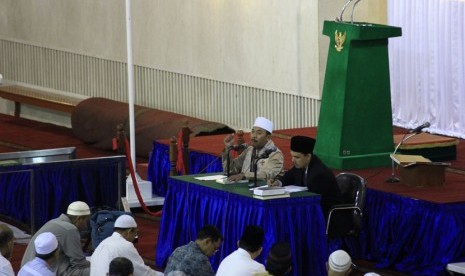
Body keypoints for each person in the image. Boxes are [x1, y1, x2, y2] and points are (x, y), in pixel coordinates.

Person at [268, 135, 343, 217]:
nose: (293, 160)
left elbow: (314, 200)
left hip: (327, 216)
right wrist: (277, 182)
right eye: (292, 156)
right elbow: (289, 176)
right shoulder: (301, 165)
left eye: (297, 157)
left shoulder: (319, 173)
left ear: (308, 156)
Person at [21, 201, 91, 275]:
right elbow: (80, 263)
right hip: (44, 270)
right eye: (86, 221)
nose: (86, 225)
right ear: (78, 218)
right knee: (91, 271)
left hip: (27, 267)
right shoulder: (70, 229)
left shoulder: (54, 221)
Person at [90, 214, 162, 276]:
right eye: (135, 234)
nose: (135, 238)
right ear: (129, 232)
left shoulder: (103, 242)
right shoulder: (126, 245)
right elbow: (143, 273)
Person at [222, 117, 284, 182]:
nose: (254, 136)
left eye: (259, 133)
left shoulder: (275, 154)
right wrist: (227, 149)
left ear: (268, 137)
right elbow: (231, 170)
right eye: (253, 132)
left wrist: (244, 175)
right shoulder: (250, 150)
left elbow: (268, 175)